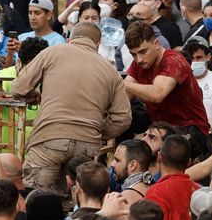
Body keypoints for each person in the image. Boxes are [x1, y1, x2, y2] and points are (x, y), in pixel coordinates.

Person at [11, 22, 131, 191]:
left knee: (36, 196)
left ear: (70, 40)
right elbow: (123, 118)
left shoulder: (52, 52)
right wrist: (96, 131)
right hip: (88, 144)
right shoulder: (111, 70)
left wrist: (34, 96)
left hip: (49, 137)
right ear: (97, 44)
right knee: (80, 197)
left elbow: (18, 88)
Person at [124, 21, 212, 141]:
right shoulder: (140, 63)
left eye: (143, 52)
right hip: (162, 129)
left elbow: (157, 94)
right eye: (133, 54)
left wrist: (121, 83)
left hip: (191, 130)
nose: (139, 59)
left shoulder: (173, 60)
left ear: (156, 44)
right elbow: (125, 94)